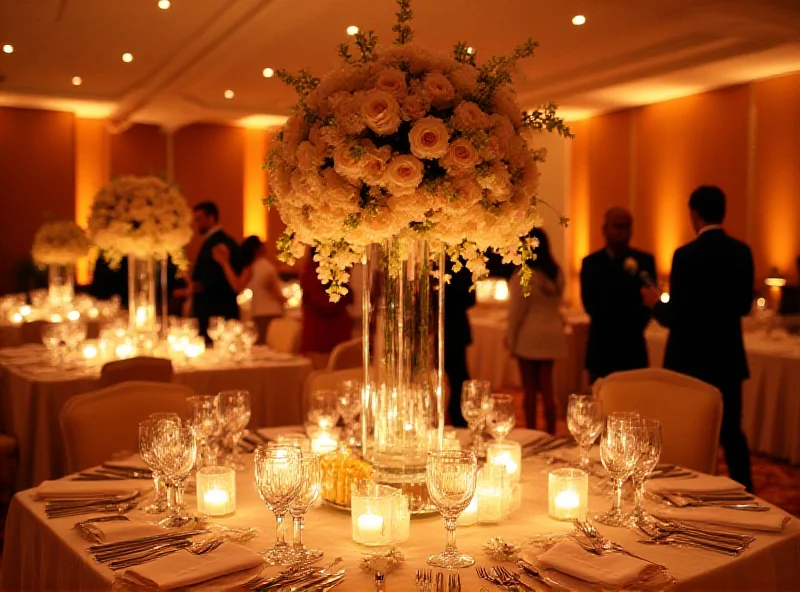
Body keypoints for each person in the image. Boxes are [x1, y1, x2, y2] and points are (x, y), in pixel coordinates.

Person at [642, 185, 754, 491]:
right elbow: (745, 306)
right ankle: (747, 494)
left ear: (694, 214)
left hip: (690, 359)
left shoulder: (686, 255)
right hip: (727, 357)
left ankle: (686, 490)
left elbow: (676, 316)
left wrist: (655, 303)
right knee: (732, 432)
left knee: (688, 430)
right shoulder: (741, 252)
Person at [581, 207, 656, 383]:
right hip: (602, 345)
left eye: (627, 226)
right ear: (604, 229)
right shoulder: (591, 263)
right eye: (617, 226)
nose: (623, 232)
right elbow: (589, 304)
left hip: (633, 346)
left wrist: (633, 326)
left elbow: (649, 302)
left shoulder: (644, 261)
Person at [506, 228, 567, 434]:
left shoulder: (524, 275)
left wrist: (510, 340)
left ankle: (531, 433)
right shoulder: (556, 272)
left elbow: (516, 313)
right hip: (553, 334)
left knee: (530, 390)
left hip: (529, 336)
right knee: (548, 390)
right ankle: (550, 433)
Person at [183, 202, 241, 340]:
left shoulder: (219, 242)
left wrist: (200, 285)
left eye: (199, 219)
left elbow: (221, 277)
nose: (196, 224)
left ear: (211, 218)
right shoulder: (213, 240)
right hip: (212, 311)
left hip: (215, 312)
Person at [212, 236, 285, 344]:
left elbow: (237, 286)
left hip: (259, 313)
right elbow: (278, 295)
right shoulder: (266, 267)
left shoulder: (251, 267)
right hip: (271, 313)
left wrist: (225, 263)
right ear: (258, 248)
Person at [300, 248, 353, 368]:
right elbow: (324, 305)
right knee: (324, 377)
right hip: (320, 335)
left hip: (334, 332)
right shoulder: (313, 269)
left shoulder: (336, 268)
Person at [444, 257, 476, 428]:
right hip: (456, 326)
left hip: (450, 328)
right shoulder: (464, 263)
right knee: (458, 378)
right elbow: (471, 300)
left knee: (457, 378)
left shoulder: (450, 264)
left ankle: (459, 421)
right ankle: (459, 421)